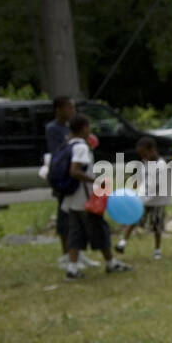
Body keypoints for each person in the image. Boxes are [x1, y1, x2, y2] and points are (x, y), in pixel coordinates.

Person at [61, 115, 131, 280]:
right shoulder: (80, 147)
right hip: (85, 198)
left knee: (75, 233)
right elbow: (75, 171)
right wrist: (96, 181)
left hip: (72, 199)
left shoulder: (67, 145)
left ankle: (72, 269)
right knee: (100, 230)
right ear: (84, 128)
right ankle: (111, 263)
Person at [45, 97, 94, 267]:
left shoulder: (69, 129)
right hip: (67, 180)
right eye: (69, 108)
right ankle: (67, 255)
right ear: (59, 109)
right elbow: (61, 153)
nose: (73, 111)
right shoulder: (53, 129)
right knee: (65, 219)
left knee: (76, 220)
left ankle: (78, 254)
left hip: (76, 181)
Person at [117, 137, 170, 260]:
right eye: (141, 154)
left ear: (152, 150)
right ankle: (122, 243)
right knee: (134, 219)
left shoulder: (161, 166)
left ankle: (157, 250)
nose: (143, 156)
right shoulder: (144, 164)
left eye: (144, 153)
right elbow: (141, 179)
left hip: (158, 200)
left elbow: (158, 185)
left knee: (157, 225)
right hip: (144, 197)